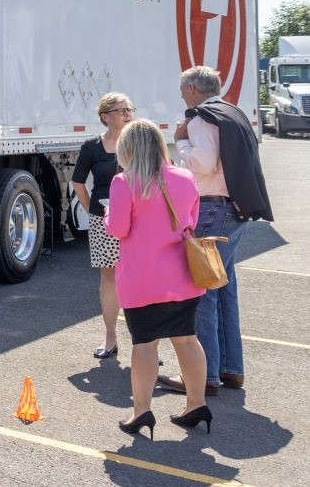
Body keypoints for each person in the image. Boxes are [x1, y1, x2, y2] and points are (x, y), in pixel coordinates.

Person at [159, 66, 275, 397]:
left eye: (182, 89)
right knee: (224, 288)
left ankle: (204, 375)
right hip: (235, 209)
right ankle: (231, 369)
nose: (181, 94)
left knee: (202, 290)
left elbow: (203, 164)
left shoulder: (201, 119)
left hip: (212, 208)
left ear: (193, 88)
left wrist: (179, 142)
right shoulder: (233, 113)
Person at [107, 118, 210, 438]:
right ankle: (196, 403)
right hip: (183, 277)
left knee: (144, 346)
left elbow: (118, 228)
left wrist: (109, 211)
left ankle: (142, 411)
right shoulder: (185, 177)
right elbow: (190, 221)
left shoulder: (124, 182)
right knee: (187, 340)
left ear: (128, 149)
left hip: (143, 280)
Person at [69, 92, 134, 360]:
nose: (128, 113)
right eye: (121, 110)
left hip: (138, 219)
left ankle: (145, 343)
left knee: (137, 277)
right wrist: (92, 211)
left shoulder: (140, 142)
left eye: (130, 109)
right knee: (109, 279)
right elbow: (78, 182)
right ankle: (110, 339)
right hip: (104, 221)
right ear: (105, 116)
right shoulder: (92, 147)